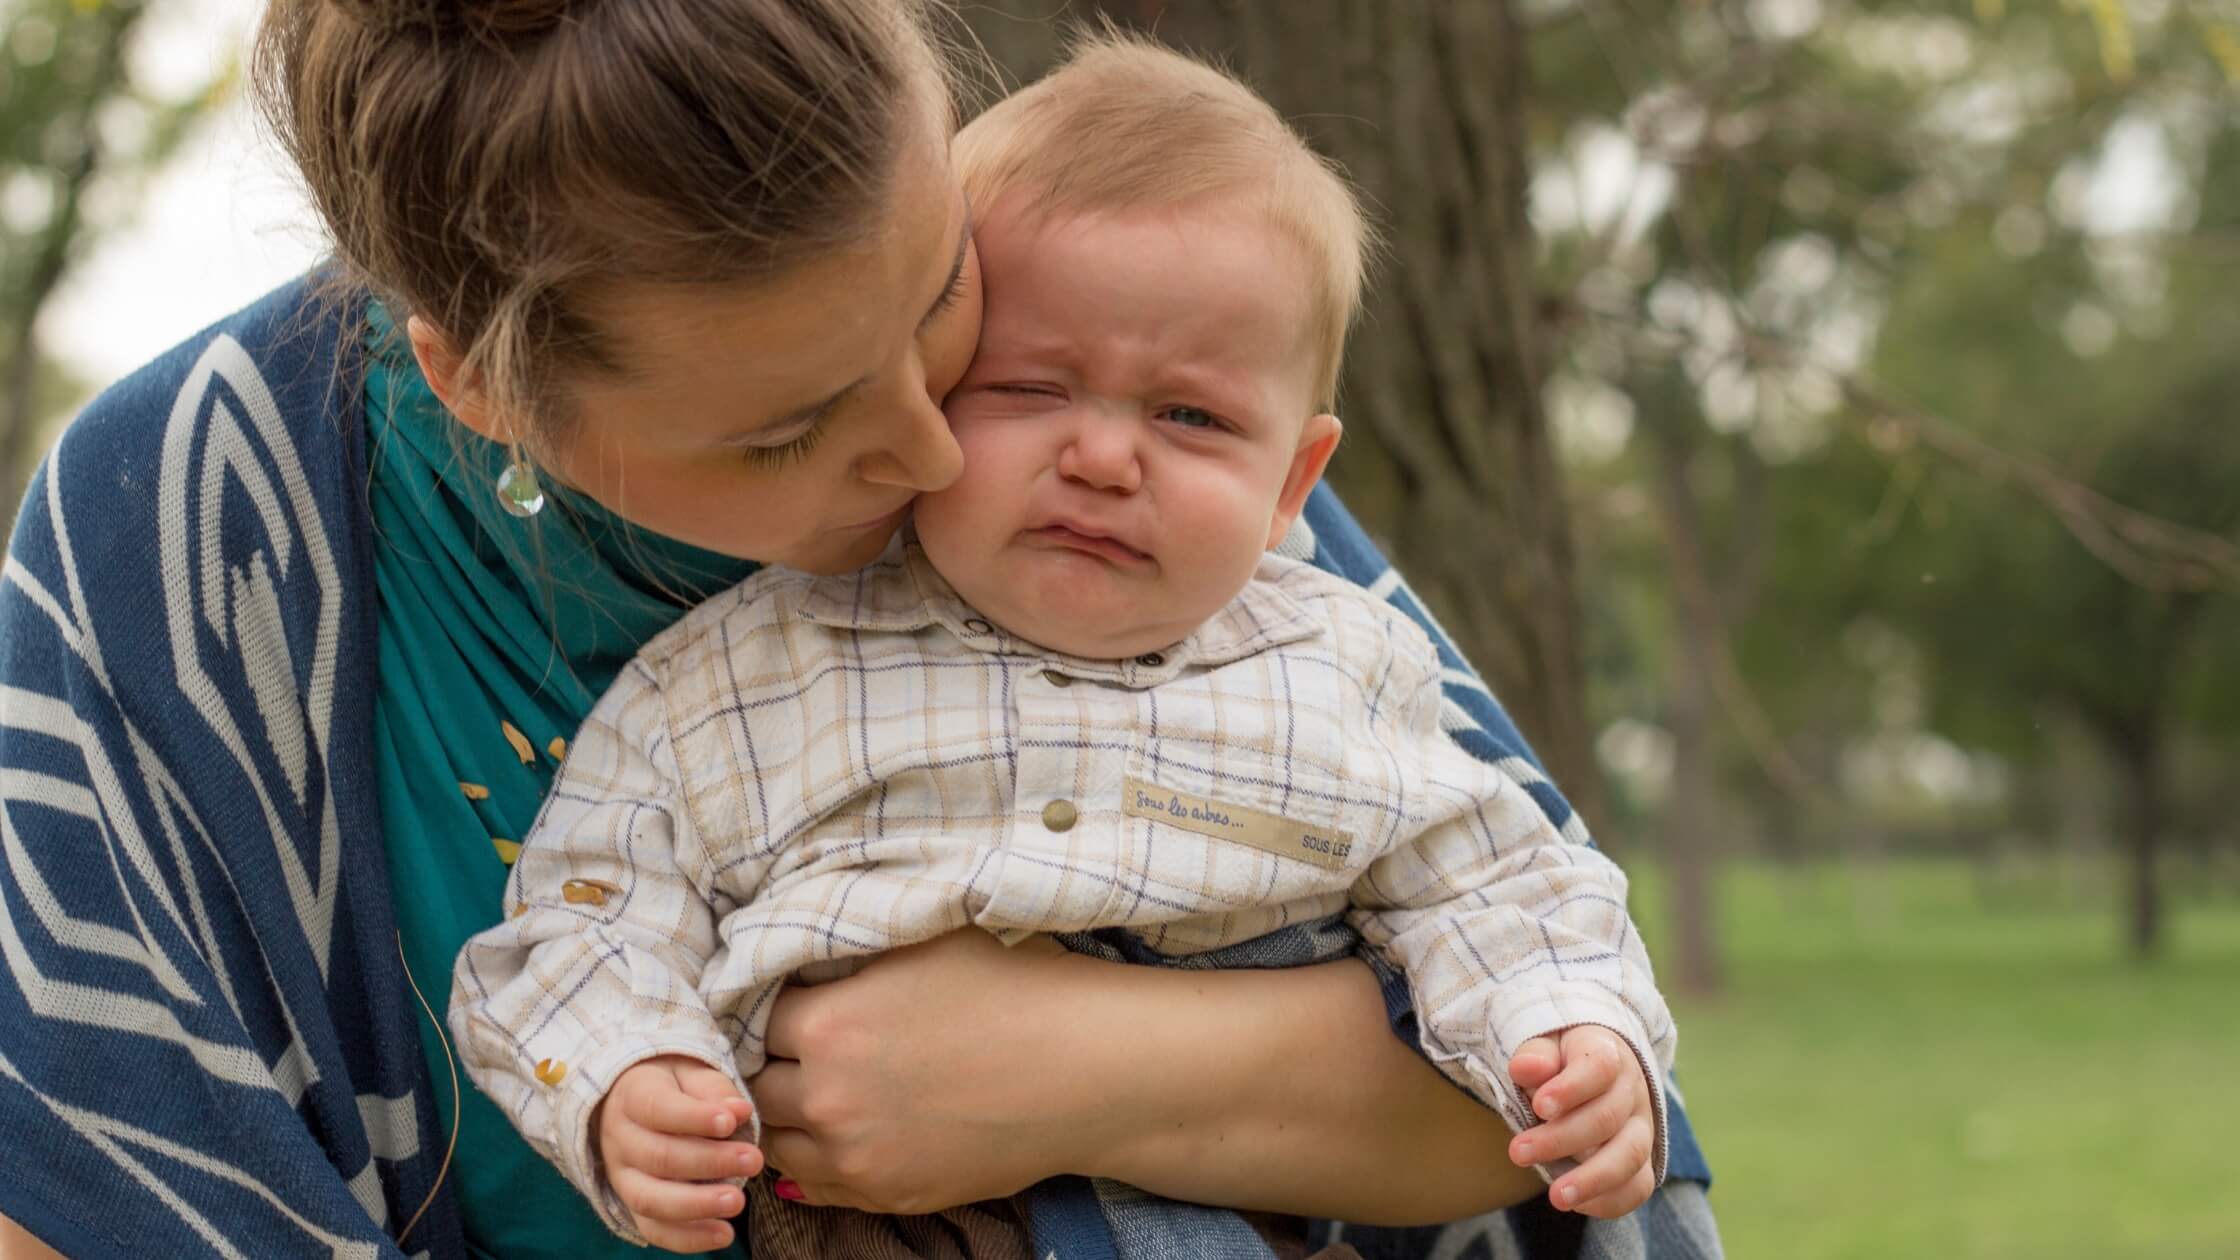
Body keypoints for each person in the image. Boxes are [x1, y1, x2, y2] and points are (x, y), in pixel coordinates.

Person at [0, 1, 1716, 1258]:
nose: (938, 441)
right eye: (787, 429)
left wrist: (1067, 1073)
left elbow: (1519, 1093)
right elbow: (91, 1179)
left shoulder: (1126, 453)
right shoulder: (195, 520)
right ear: (482, 387)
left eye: (939, 309)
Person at [452, 36, 1677, 1260]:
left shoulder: (1344, 663)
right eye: (1030, 390)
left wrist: (1570, 1030)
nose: (1101, 457)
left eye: (1189, 416)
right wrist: (631, 1077)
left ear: (1294, 478)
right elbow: (591, 911)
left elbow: (1503, 884)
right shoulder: (744, 670)